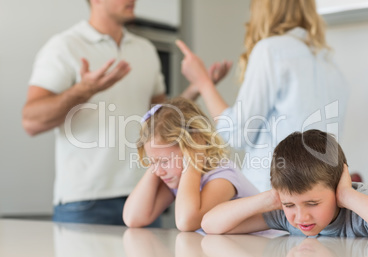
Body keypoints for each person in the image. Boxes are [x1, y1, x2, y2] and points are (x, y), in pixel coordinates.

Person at [22, 0, 230, 225]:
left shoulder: (145, 50)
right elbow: (31, 121)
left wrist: (198, 86)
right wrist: (84, 90)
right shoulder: (65, 46)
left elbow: (159, 119)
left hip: (143, 194)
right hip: (86, 200)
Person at [176, 0, 349, 192]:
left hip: (273, 194)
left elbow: (237, 134)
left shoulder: (271, 50)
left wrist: (203, 82)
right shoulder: (328, 61)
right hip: (318, 196)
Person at [201, 130, 368, 240]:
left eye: (312, 203)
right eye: (290, 205)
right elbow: (210, 225)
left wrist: (347, 195)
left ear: (336, 187)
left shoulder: (359, 210)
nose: (301, 217)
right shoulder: (285, 213)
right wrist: (271, 198)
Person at [122, 98, 259, 231]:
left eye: (164, 161)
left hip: (264, 250)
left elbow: (186, 221)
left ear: (195, 145)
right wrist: (157, 161)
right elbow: (132, 218)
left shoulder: (223, 176)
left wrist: (193, 160)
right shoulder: (176, 178)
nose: (158, 172)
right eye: (152, 163)